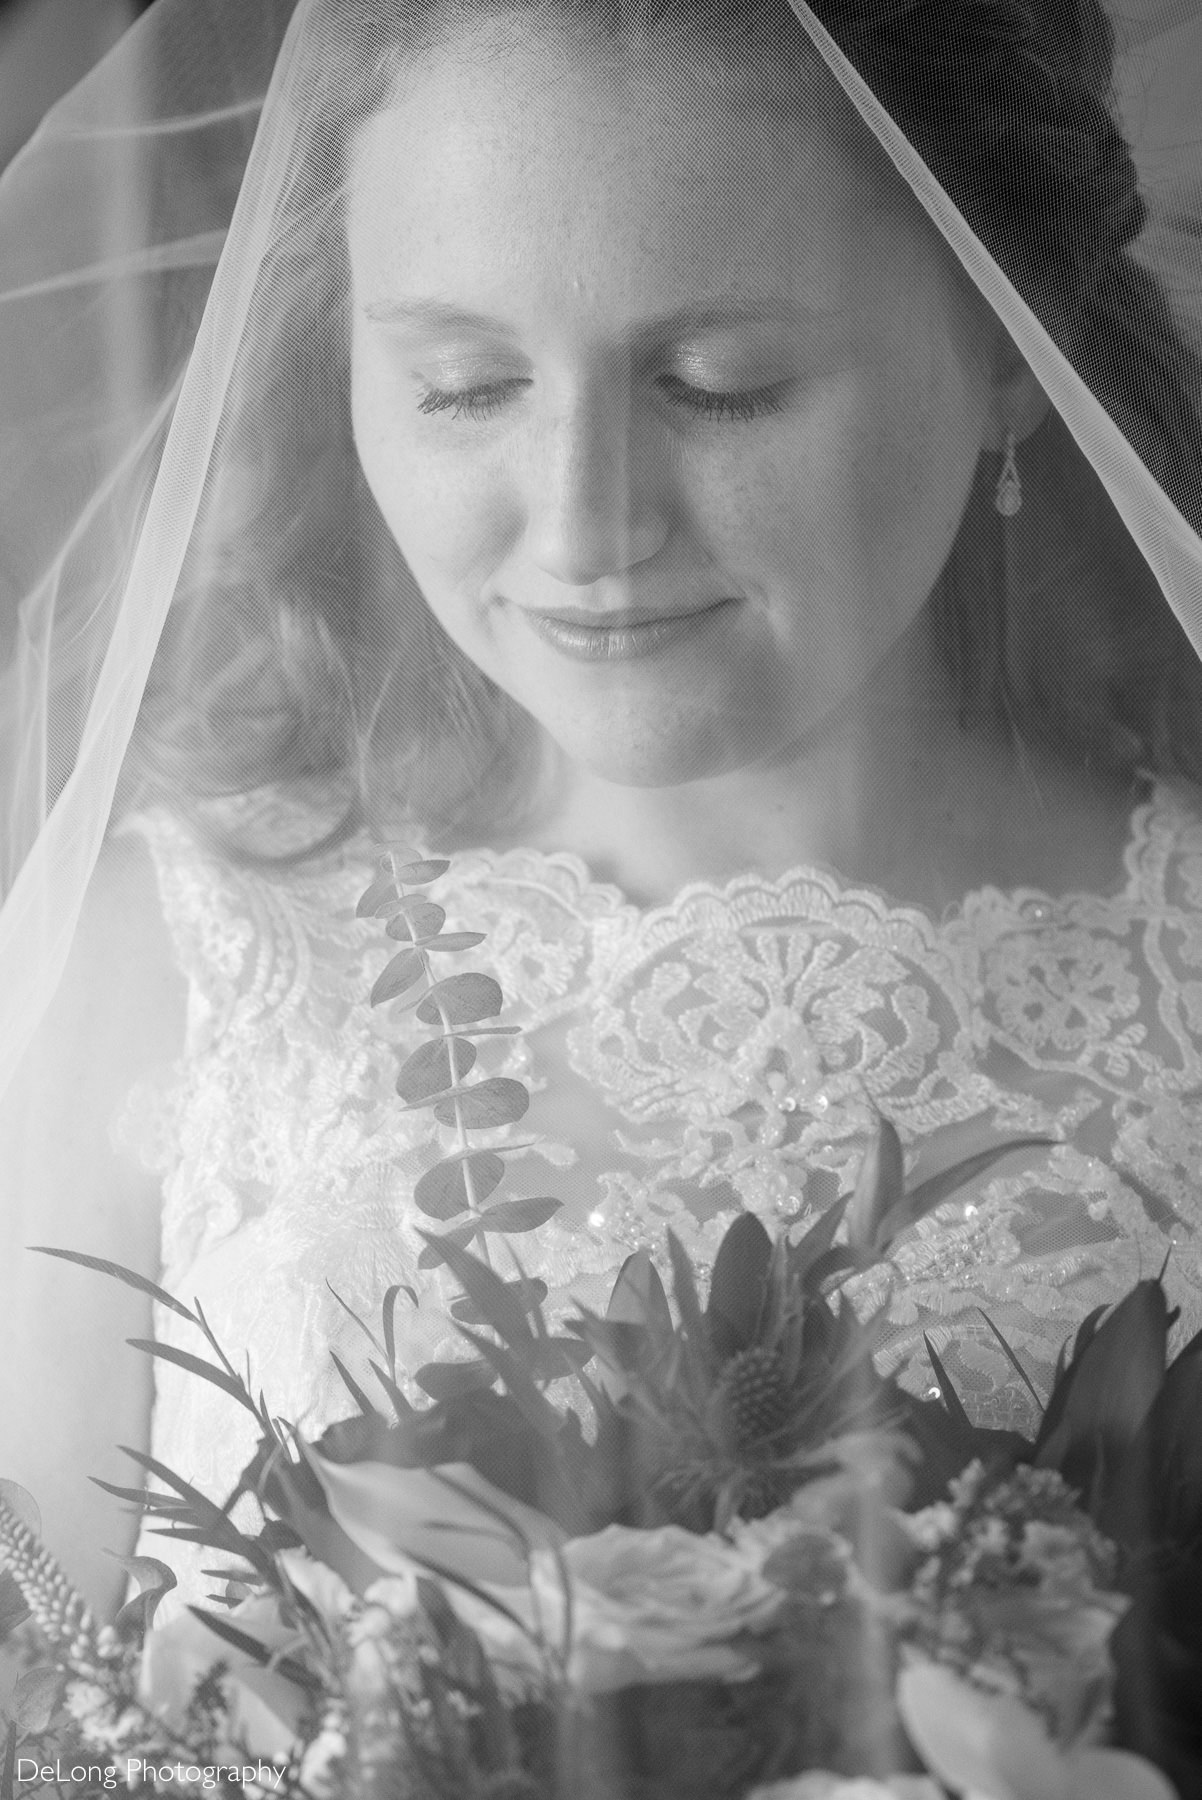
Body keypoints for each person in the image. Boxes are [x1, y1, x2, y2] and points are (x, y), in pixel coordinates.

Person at [1, 0, 1202, 1619]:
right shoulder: (156, 970)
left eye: (721, 383)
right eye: (463, 384)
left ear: (1003, 346)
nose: (585, 527)